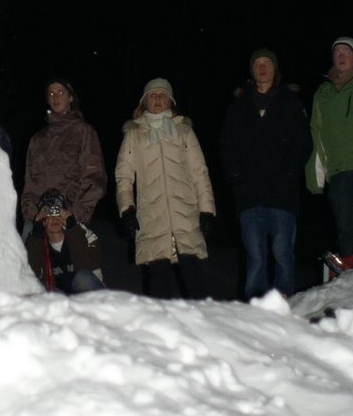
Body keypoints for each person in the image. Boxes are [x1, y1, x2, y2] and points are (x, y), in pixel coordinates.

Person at [220, 49, 311, 300]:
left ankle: (283, 302)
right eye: (257, 64)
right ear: (251, 70)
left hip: (282, 194)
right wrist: (236, 177)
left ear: (275, 69)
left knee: (282, 252)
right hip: (249, 195)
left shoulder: (290, 103)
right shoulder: (239, 107)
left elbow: (303, 142)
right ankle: (255, 305)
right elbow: (227, 146)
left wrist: (291, 171)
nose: (262, 68)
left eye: (267, 63)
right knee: (255, 255)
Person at [115, 78, 215, 299]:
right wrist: (126, 210)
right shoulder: (134, 134)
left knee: (195, 282)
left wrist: (207, 210)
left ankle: (202, 329)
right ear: (144, 102)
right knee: (158, 286)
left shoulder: (184, 131)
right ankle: (162, 332)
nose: (158, 99)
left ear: (170, 100)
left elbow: (200, 172)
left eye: (162, 94)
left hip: (185, 215)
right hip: (151, 217)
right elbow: (123, 175)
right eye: (153, 95)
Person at [20, 78, 107, 238]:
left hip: (68, 219)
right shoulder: (38, 138)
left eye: (61, 92)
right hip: (38, 220)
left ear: (70, 98)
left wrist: (75, 215)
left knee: (73, 261)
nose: (56, 96)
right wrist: (32, 215)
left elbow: (95, 179)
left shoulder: (83, 132)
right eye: (51, 93)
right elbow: (29, 184)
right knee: (26, 261)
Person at [305, 37, 353, 267]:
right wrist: (315, 173)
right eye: (337, 52)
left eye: (347, 51)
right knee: (344, 226)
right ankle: (349, 275)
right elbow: (315, 132)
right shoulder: (322, 93)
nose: (342, 55)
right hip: (337, 169)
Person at [26, 188, 105, 294]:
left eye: (57, 213)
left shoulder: (84, 235)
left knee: (82, 278)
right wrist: (37, 233)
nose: (54, 219)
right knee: (48, 292)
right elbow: (31, 274)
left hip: (87, 297)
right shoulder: (37, 243)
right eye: (49, 215)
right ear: (43, 222)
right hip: (59, 299)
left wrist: (72, 226)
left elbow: (86, 267)